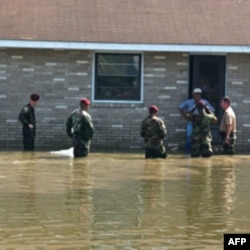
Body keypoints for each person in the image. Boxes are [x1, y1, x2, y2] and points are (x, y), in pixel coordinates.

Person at [178, 88, 214, 153]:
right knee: (189, 135)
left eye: (199, 94)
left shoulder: (204, 102)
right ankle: (189, 151)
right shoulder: (189, 102)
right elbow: (180, 107)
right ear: (193, 95)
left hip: (202, 121)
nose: (197, 96)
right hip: (192, 121)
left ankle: (203, 150)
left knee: (204, 137)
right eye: (196, 94)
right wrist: (186, 115)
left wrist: (206, 113)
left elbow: (212, 111)